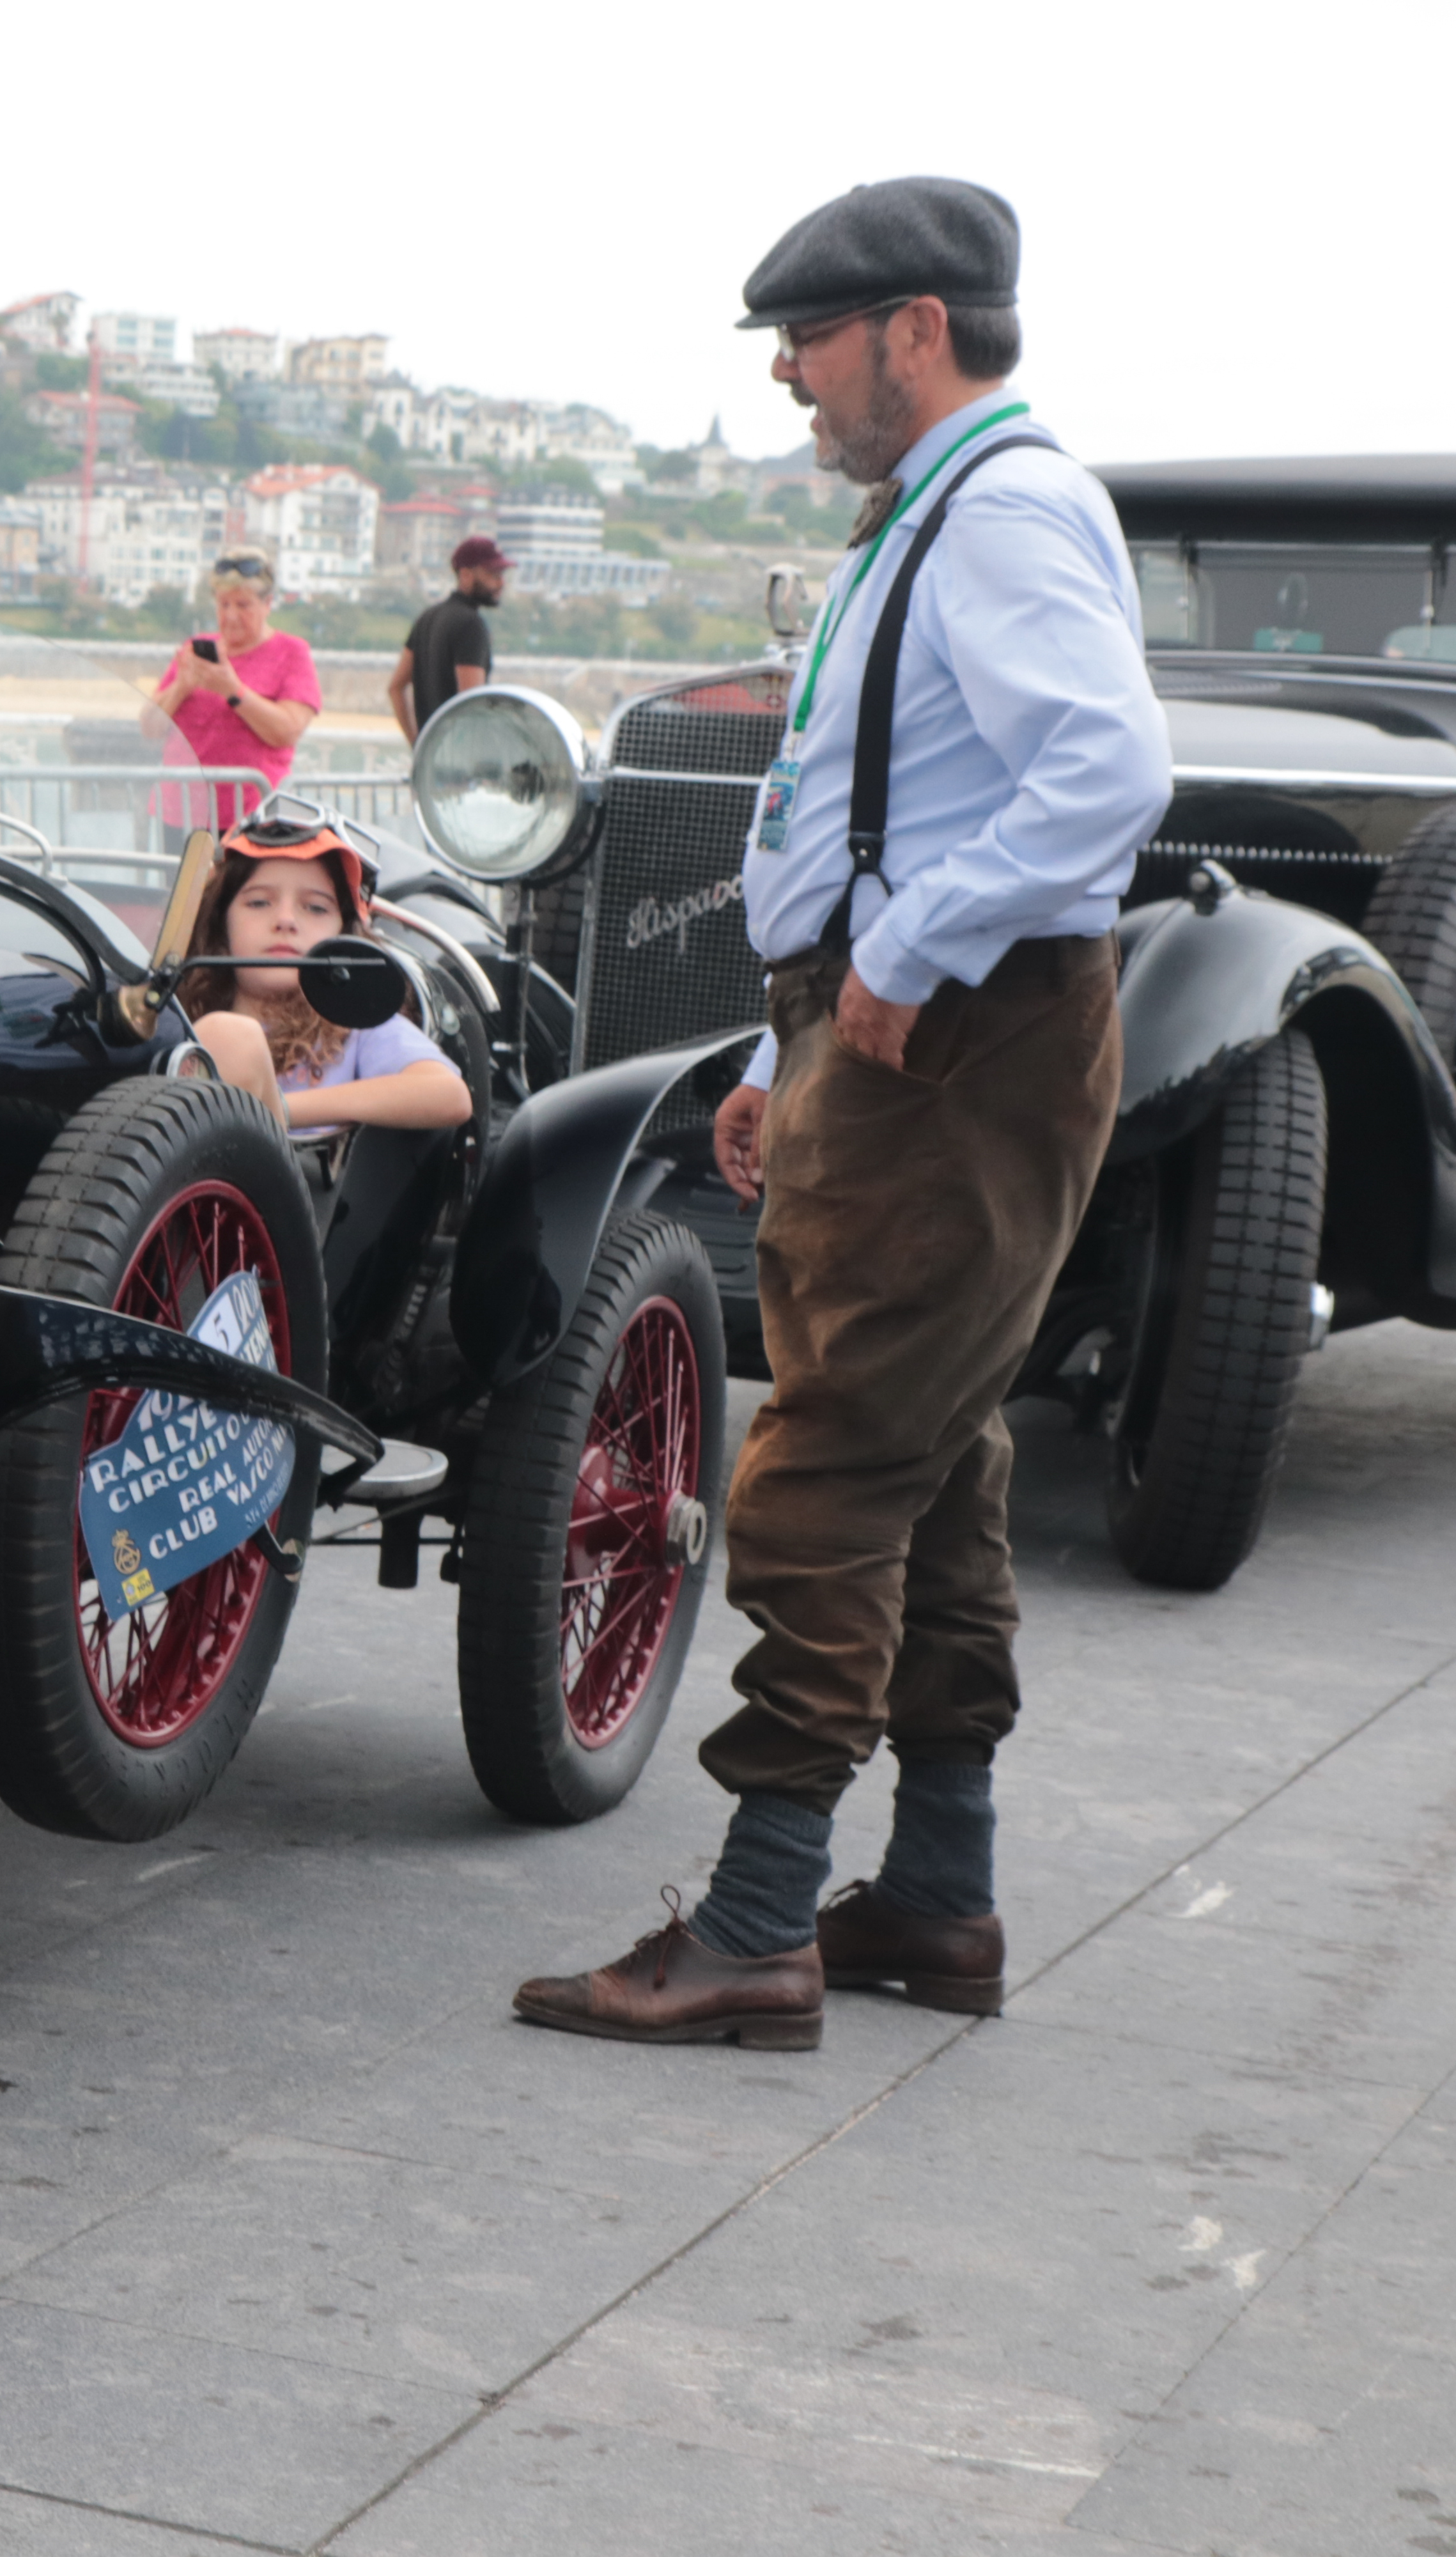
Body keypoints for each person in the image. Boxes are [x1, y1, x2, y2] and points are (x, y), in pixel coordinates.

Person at [515, 178, 1167, 2050]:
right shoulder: (935, 513)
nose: (789, 376)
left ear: (910, 327)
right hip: (887, 1042)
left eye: (805, 339)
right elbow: (855, 799)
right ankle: (937, 1900)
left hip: (947, 1044)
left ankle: (750, 1924)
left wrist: (904, 959)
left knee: (819, 1473)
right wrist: (768, 1049)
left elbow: (1104, 764)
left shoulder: (1003, 502)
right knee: (932, 1461)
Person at [170, 814, 472, 1132]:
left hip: (304, 1179)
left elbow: (449, 1094)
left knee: (232, 1036)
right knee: (226, 1035)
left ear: (344, 936)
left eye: (315, 908)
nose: (286, 920)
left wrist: (278, 1110)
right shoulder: (173, 1017)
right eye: (259, 903)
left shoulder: (357, 1026)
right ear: (220, 925)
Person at [142, 548, 318, 825]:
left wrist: (233, 691)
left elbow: (287, 731)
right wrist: (181, 688)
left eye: (243, 605)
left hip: (253, 816)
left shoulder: (292, 653)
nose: (232, 616)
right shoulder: (195, 649)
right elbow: (149, 728)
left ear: (267, 603)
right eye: (224, 605)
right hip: (183, 812)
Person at [389, 535, 509, 745]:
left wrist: (418, 745)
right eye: (492, 574)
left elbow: (395, 687)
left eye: (502, 574)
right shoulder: (471, 625)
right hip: (461, 763)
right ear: (465, 574)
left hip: (433, 762)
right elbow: (471, 705)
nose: (500, 582)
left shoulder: (427, 618)